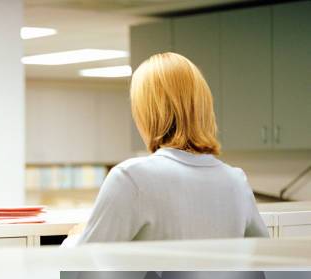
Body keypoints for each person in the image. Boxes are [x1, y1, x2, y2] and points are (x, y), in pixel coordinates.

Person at [63, 52, 268, 246]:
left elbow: (82, 268)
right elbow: (268, 260)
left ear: (147, 114)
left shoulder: (131, 178)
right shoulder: (235, 181)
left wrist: (73, 239)